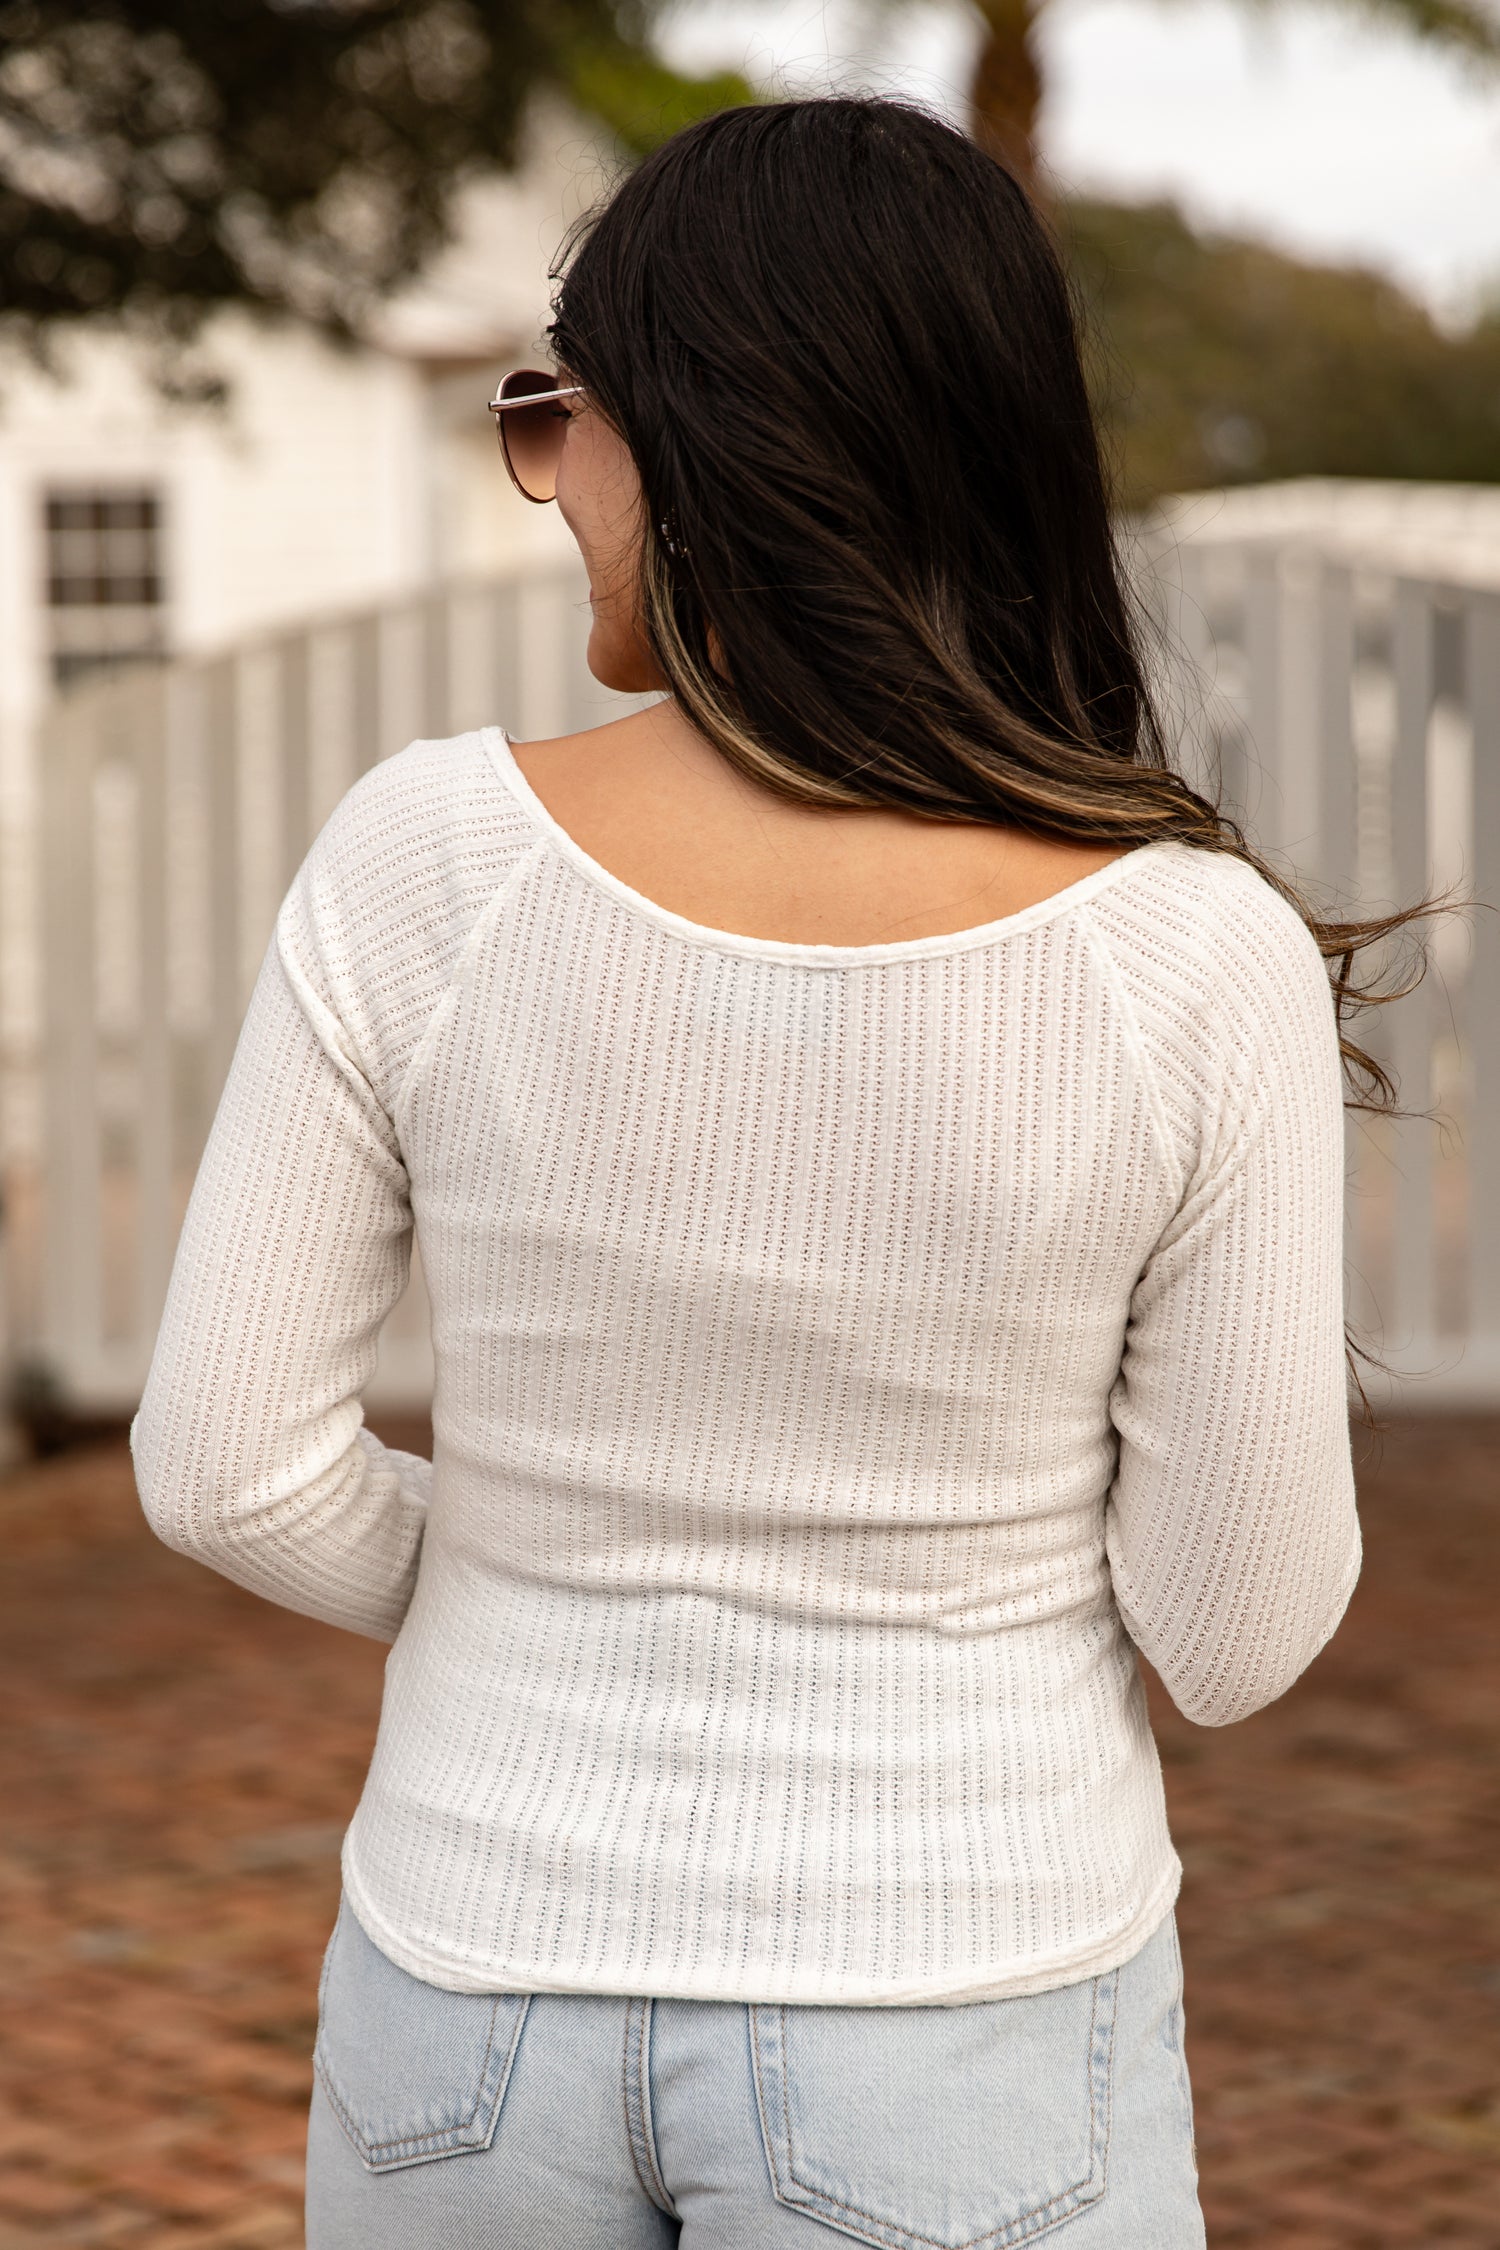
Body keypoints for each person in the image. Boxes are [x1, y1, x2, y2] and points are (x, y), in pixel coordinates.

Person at [133, 95, 1398, 2249]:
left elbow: (223, 1464)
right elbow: (1238, 1626)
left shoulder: (425, 862)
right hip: (964, 2011)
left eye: (560, 415)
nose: (551, 485)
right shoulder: (1190, 957)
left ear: (695, 440)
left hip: (468, 1991)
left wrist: (557, 1580)